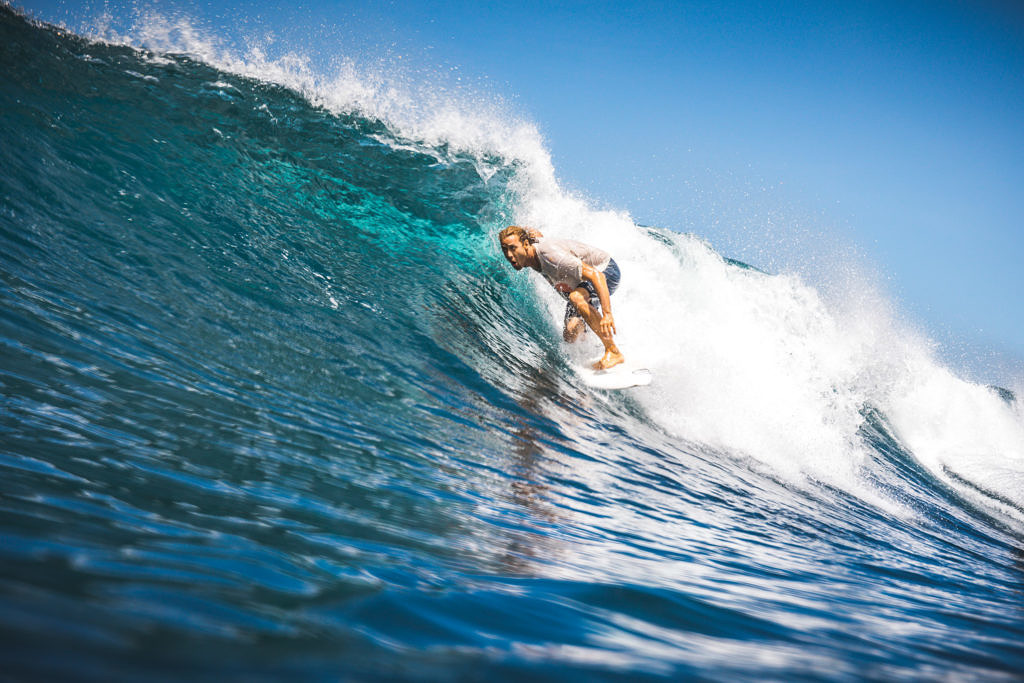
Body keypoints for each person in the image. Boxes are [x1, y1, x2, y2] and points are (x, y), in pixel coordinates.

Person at [498, 225, 624, 370]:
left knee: (576, 297)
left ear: (526, 244)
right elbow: (537, 237)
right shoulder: (530, 251)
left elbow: (598, 276)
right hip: (582, 283)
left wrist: (607, 314)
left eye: (513, 248)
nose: (508, 254)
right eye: (505, 249)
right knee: (570, 334)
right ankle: (592, 349)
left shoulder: (552, 257)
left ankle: (613, 351)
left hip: (606, 270)